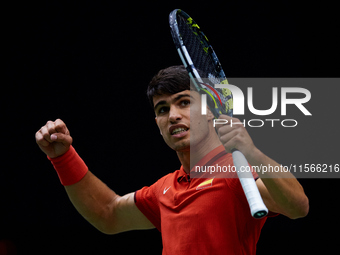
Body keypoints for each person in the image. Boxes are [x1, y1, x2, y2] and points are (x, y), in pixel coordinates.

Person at [35, 65, 309, 254]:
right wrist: (63, 157)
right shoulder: (165, 189)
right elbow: (107, 213)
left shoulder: (236, 173)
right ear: (157, 122)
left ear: (210, 111)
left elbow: (298, 207)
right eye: (163, 109)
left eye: (184, 102)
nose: (173, 115)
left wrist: (252, 153)